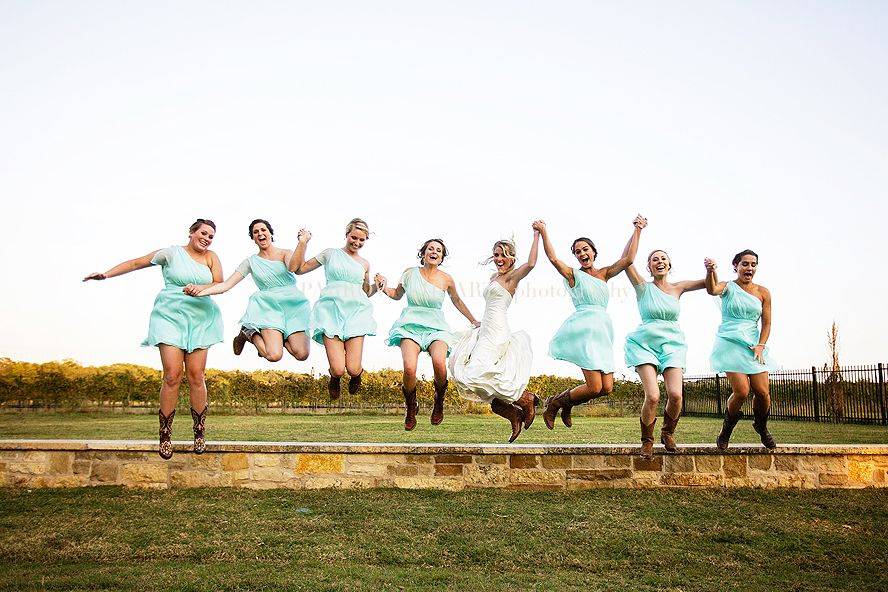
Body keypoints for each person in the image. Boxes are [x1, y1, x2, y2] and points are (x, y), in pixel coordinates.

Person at [83, 219, 223, 459]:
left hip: (201, 318)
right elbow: (137, 263)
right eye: (203, 233)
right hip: (170, 315)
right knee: (172, 375)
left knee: (196, 375)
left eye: (211, 236)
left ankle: (199, 430)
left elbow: (219, 283)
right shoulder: (170, 253)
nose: (207, 238)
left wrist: (200, 287)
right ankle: (165, 433)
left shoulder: (212, 257)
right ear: (191, 233)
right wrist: (106, 275)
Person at [538, 216, 645, 430]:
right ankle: (555, 403)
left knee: (606, 388)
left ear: (593, 252)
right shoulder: (573, 275)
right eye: (577, 252)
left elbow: (628, 259)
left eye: (585, 249)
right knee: (594, 386)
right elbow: (553, 258)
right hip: (584, 329)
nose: (582, 254)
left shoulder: (604, 274)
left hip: (603, 331)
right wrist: (543, 231)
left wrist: (637, 229)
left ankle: (566, 404)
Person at [375, 238, 480, 429]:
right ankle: (410, 406)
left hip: (436, 328)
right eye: (430, 249)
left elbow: (457, 301)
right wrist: (382, 287)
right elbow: (396, 294)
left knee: (439, 362)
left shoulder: (446, 279)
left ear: (441, 257)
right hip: (410, 326)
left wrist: (473, 320)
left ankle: (439, 400)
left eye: (438, 250)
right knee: (409, 369)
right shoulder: (409, 274)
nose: (434, 252)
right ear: (423, 253)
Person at [448, 226, 540, 442]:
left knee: (479, 374)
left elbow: (532, 263)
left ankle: (525, 399)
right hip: (486, 329)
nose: (498, 259)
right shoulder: (493, 277)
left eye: (503, 255)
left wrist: (537, 235)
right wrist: (475, 322)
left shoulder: (512, 278)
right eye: (496, 255)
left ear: (511, 258)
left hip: (498, 330)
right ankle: (515, 414)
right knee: (475, 379)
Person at [624, 244, 706, 458]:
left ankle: (667, 433)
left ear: (669, 265)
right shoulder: (643, 287)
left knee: (676, 395)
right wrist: (638, 230)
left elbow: (711, 285)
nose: (659, 261)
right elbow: (626, 260)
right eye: (654, 259)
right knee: (652, 396)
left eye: (663, 259)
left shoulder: (679, 287)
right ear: (649, 268)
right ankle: (647, 441)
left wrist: (711, 269)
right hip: (645, 344)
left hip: (672, 344)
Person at [196, 219, 311, 362]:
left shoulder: (285, 253)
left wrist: (302, 242)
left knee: (302, 354)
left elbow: (293, 267)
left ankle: (277, 335)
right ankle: (249, 332)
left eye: (263, 230)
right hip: (269, 308)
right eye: (255, 232)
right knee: (274, 355)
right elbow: (226, 285)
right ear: (253, 238)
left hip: (293, 306)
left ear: (270, 233)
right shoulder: (250, 262)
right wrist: (199, 292)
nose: (260, 234)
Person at [292, 218, 377, 398]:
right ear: (347, 235)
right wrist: (303, 243)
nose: (357, 242)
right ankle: (334, 378)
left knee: (353, 369)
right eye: (354, 237)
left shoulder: (365, 264)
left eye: (362, 240)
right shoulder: (330, 254)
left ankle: (357, 375)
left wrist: (378, 286)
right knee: (339, 369)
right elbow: (299, 269)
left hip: (356, 313)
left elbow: (366, 292)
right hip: (331, 311)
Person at [705, 250, 777, 450]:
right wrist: (710, 271)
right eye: (745, 264)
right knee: (742, 391)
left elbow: (767, 323)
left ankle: (761, 426)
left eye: (753, 264)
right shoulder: (728, 287)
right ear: (735, 266)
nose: (749, 268)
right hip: (729, 342)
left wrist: (761, 345)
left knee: (763, 392)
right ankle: (726, 429)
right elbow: (712, 289)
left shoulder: (763, 292)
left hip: (754, 344)